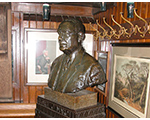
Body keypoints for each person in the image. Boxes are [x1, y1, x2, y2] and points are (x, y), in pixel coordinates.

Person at [48, 18, 106, 93]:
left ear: (80, 37)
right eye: (60, 34)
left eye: (66, 33)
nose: (60, 38)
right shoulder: (56, 62)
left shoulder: (93, 67)